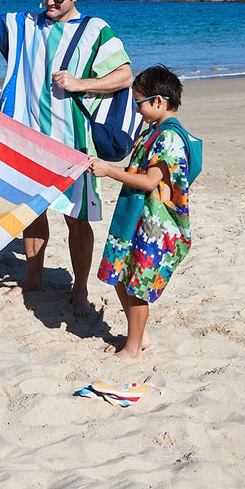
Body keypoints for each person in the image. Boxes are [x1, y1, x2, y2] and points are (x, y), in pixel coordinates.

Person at [0, 0, 133, 316]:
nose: (49, 2)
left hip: (71, 144)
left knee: (77, 218)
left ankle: (80, 288)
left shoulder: (95, 30)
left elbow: (124, 76)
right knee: (29, 211)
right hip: (26, 141)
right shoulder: (23, 24)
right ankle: (34, 279)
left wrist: (82, 84)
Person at [89, 66, 195, 363]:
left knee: (137, 286)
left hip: (153, 224)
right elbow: (138, 173)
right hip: (134, 217)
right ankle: (139, 336)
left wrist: (110, 171)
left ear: (159, 101)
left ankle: (133, 349)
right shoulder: (154, 133)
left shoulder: (170, 138)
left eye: (140, 103)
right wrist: (108, 168)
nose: (137, 110)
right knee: (121, 276)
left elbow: (150, 182)